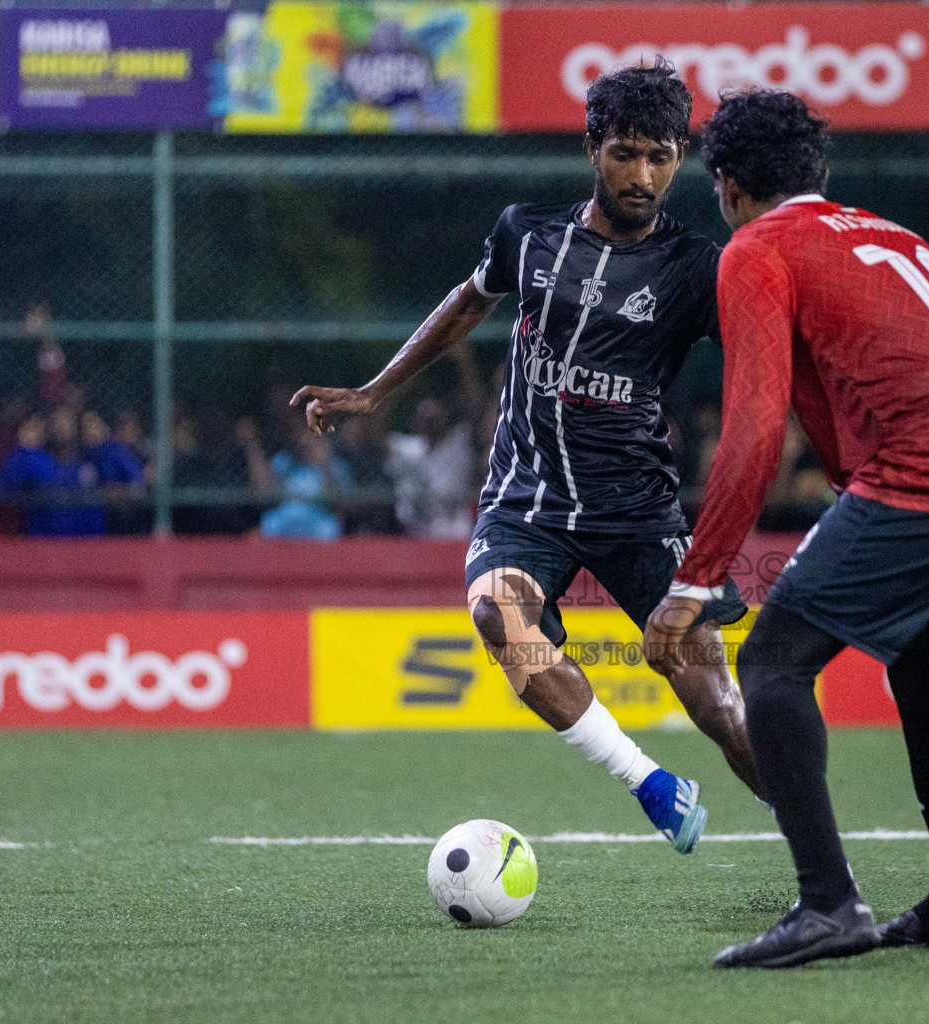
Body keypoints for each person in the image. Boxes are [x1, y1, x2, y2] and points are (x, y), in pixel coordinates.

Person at [290, 61, 759, 852]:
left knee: (716, 702)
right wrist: (375, 393)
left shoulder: (697, 268)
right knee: (495, 612)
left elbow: (765, 367)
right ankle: (651, 785)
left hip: (637, 510)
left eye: (663, 156)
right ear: (592, 148)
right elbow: (467, 303)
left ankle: (822, 859)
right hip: (526, 498)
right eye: (626, 153)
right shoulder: (527, 233)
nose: (644, 175)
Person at [644, 90, 929, 968]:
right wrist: (851, 491)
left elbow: (754, 431)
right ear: (816, 174)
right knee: (923, 663)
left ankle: (829, 904)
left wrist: (692, 581)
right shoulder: (886, 232)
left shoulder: (755, 247)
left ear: (726, 185)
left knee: (771, 662)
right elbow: (821, 403)